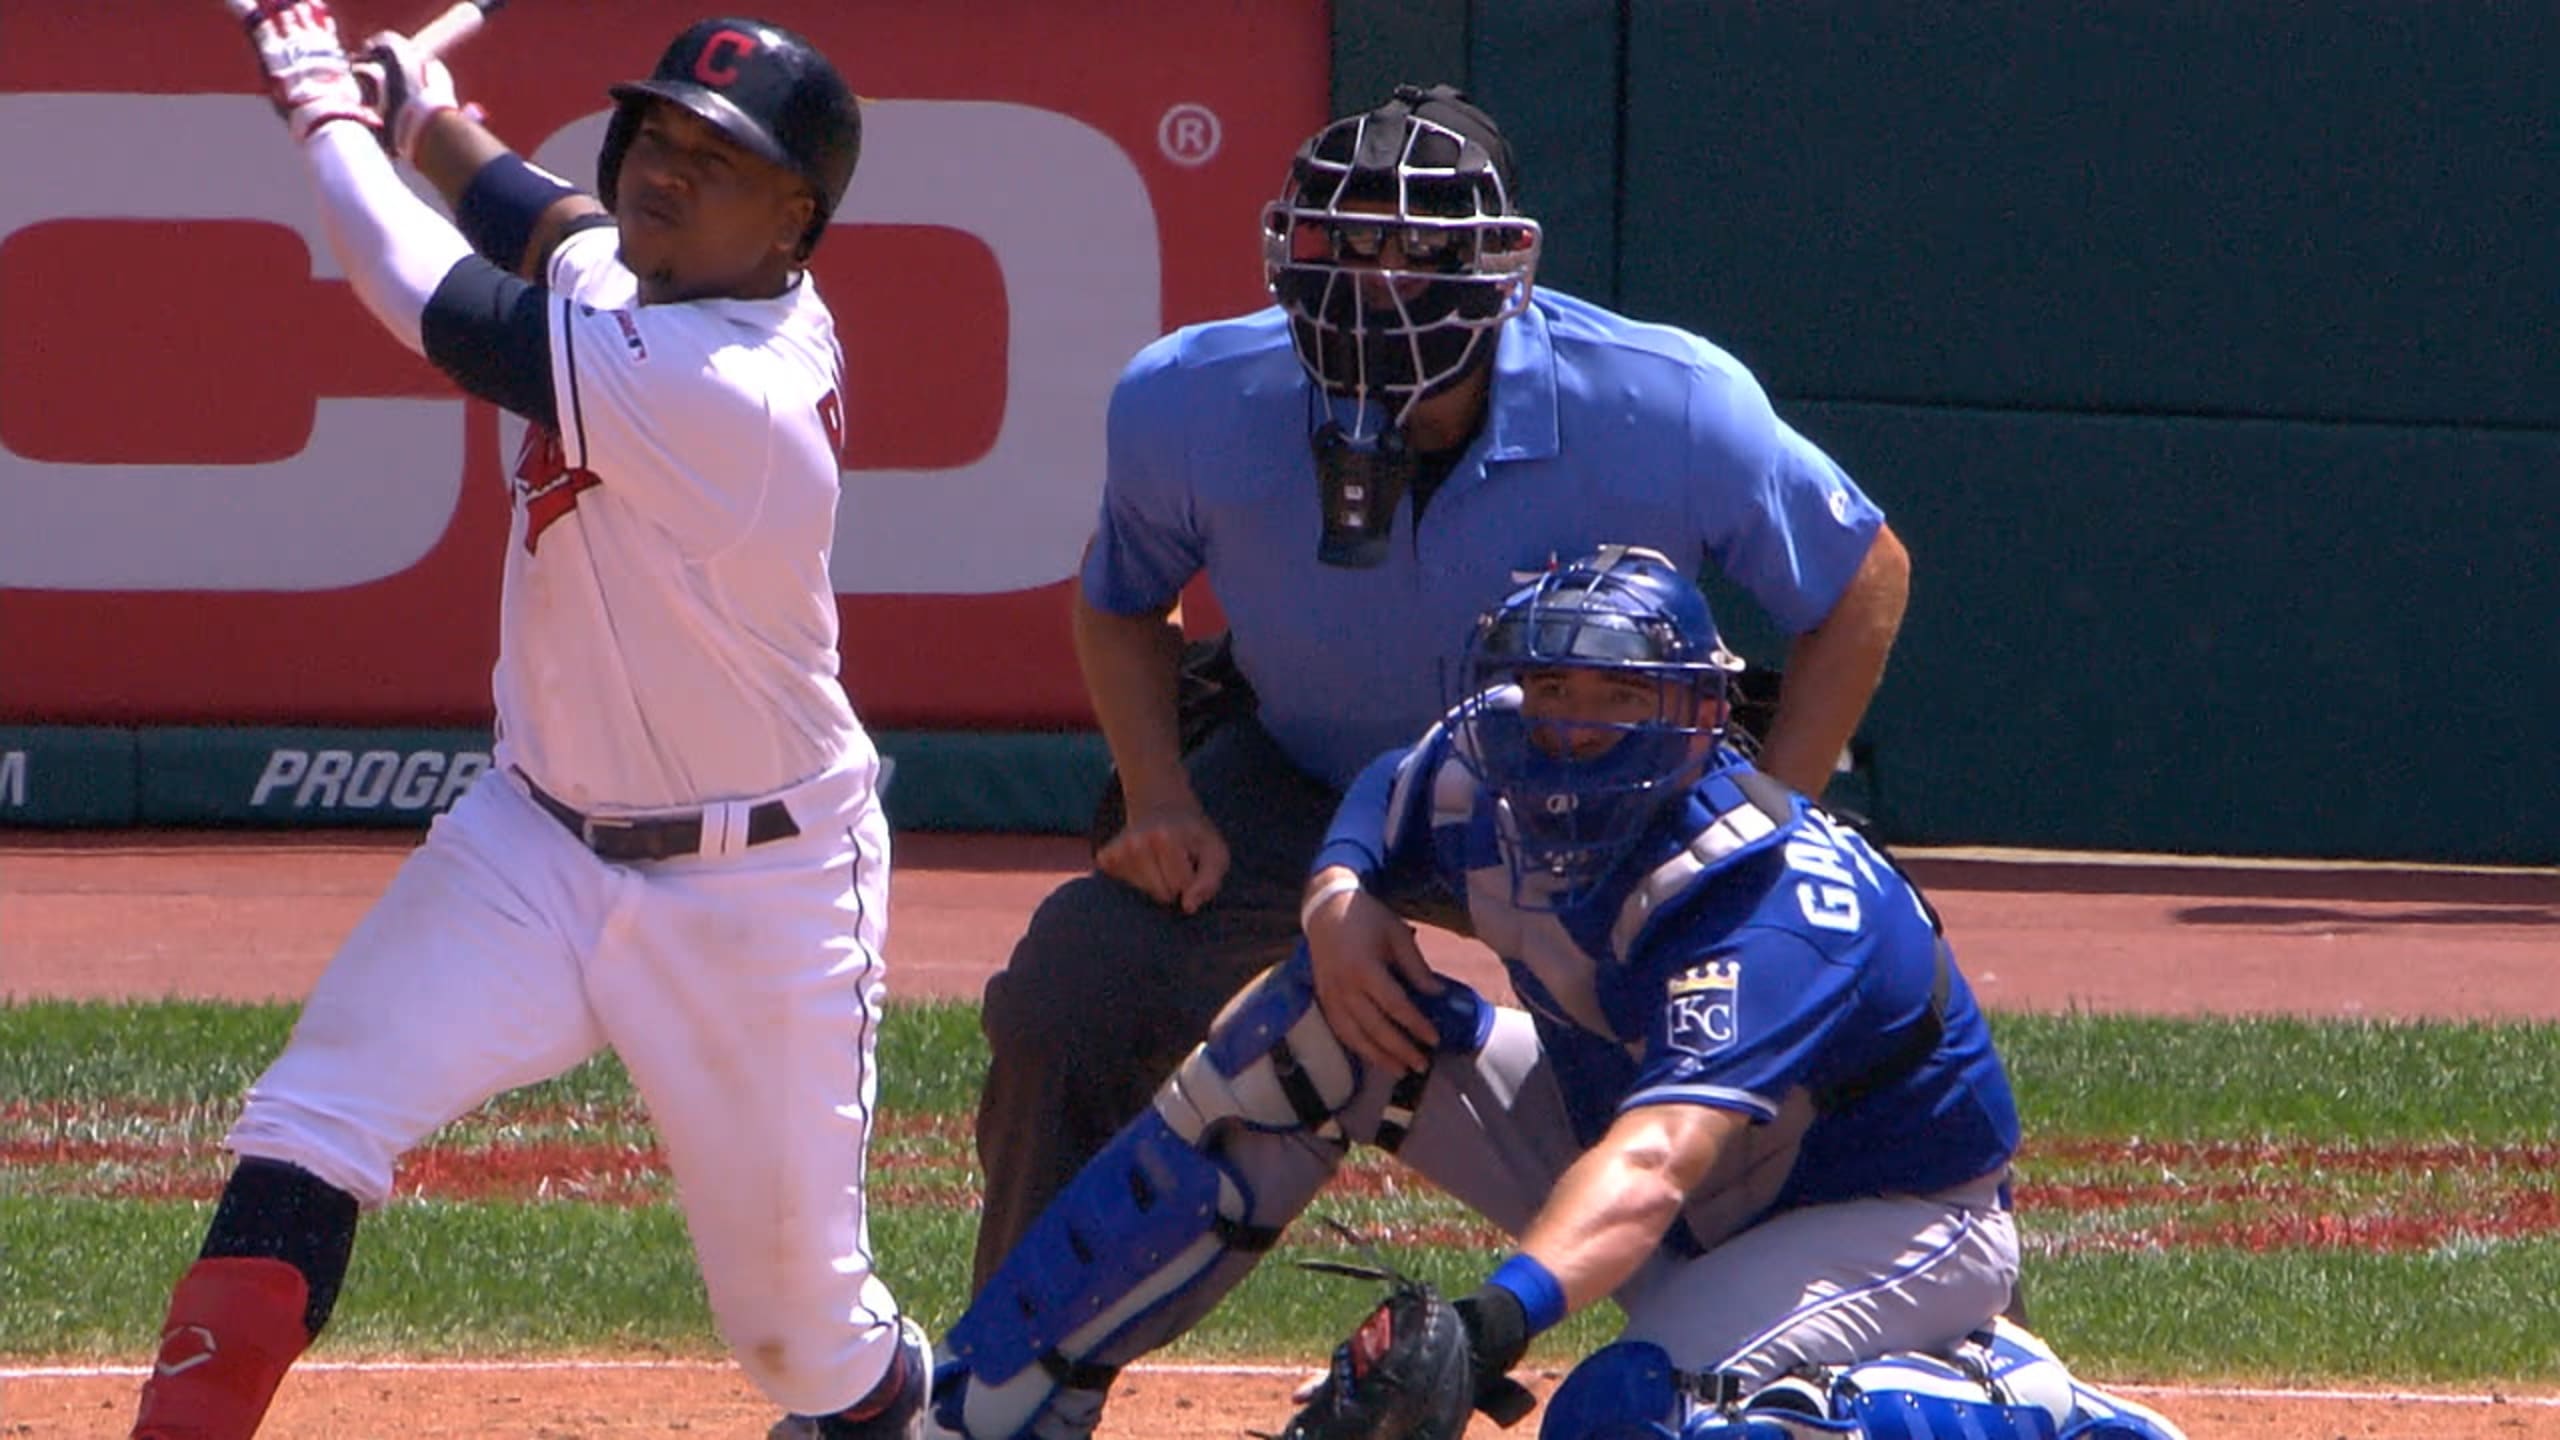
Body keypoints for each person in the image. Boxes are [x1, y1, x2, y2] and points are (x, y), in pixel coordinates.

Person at [972, 82, 1913, 1314]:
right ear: (1289, 246)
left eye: (1424, 251)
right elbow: (1121, 600)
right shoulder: (1186, 394)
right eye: (1351, 244)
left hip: (1601, 796)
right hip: (1300, 771)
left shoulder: (1667, 400)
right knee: (1070, 992)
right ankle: (1005, 1372)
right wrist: (1156, 793)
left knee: (1831, 1001)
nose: (1382, 282)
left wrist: (1773, 811)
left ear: (1506, 264)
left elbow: (1862, 577)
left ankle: (1835, 1349)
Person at [133, 11, 921, 1440]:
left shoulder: (733, 388)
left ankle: (929, 1412)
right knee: (307, 1126)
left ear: (795, 221)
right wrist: (426, 115)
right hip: (529, 841)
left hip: (760, 892)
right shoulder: (653, 278)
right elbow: (549, 223)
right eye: (659, 137)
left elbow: (433, 297)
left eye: (719, 159)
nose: (666, 173)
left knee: (804, 1341)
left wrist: (329, 121)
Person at [930, 546, 2183, 1440]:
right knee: (1304, 1033)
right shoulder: (1486, 764)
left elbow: (1653, 1166)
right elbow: (1383, 793)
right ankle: (990, 1406)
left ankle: (2027, 1407)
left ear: (1698, 719)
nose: (1570, 728)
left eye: (1617, 698)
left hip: (1879, 1219)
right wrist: (1338, 901)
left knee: (1625, 1418)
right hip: (1621, 1132)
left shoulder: (1767, 898)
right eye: (1551, 692)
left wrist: (1488, 1325)